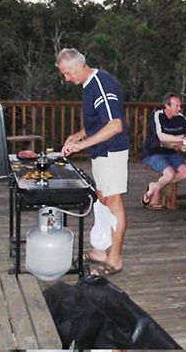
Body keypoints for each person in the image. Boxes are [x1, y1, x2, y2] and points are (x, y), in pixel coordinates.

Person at [57, 48, 129, 275]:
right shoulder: (88, 86)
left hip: (112, 152)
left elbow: (115, 125)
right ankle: (99, 250)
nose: (66, 79)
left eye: (67, 73)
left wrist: (82, 145)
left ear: (78, 66)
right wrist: (79, 135)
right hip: (100, 151)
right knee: (101, 199)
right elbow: (99, 122)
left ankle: (114, 259)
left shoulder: (102, 84)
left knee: (114, 202)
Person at [142, 93, 186, 210]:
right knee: (170, 174)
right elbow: (161, 136)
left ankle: (155, 187)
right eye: (176, 106)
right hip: (154, 152)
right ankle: (157, 189)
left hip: (171, 152)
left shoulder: (180, 118)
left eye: (180, 106)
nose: (179, 108)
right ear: (167, 106)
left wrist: (184, 137)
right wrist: (182, 137)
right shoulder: (157, 115)